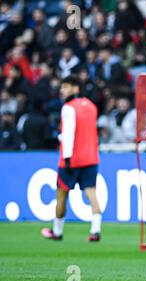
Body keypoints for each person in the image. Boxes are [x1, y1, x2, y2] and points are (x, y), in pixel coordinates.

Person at [41, 76, 102, 242]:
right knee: (91, 193)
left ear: (76, 88)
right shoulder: (91, 106)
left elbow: (68, 134)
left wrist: (67, 160)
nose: (62, 90)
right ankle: (95, 230)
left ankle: (57, 231)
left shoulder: (68, 108)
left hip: (72, 159)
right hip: (91, 157)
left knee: (61, 195)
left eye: (66, 86)